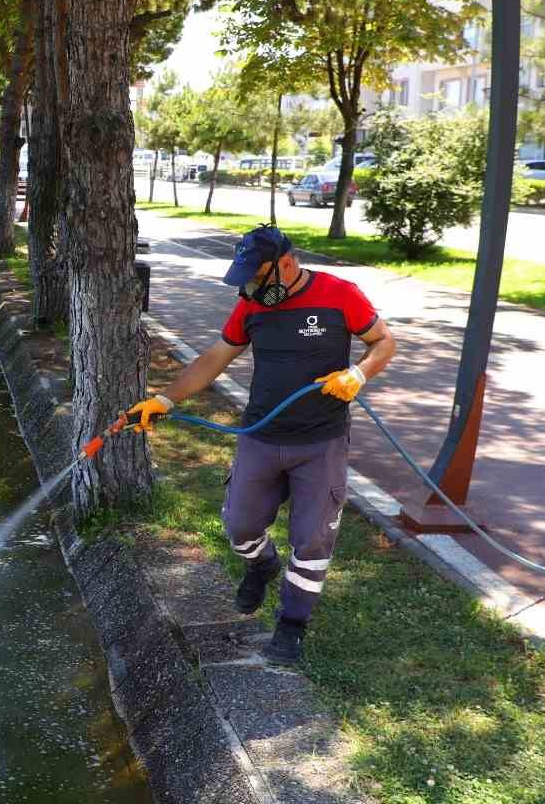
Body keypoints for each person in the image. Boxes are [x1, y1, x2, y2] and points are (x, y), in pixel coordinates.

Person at [119, 227, 397, 666]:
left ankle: (291, 625)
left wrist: (358, 375)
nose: (249, 288)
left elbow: (383, 342)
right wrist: (165, 398)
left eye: (256, 277)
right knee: (239, 524)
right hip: (261, 437)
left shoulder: (339, 294)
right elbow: (215, 357)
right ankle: (261, 563)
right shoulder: (251, 305)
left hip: (319, 441)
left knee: (311, 541)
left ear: (286, 264)